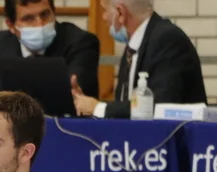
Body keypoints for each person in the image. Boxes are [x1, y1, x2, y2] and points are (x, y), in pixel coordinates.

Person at [0, 0, 100, 113]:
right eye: (28, 18)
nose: (40, 24)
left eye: (45, 14)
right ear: (11, 25)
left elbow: (74, 100)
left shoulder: (80, 42)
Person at [71, 0, 206, 118]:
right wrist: (87, 105)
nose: (104, 17)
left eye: (105, 10)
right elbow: (127, 105)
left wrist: (98, 108)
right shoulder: (134, 46)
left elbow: (159, 106)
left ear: (120, 13)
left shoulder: (167, 40)